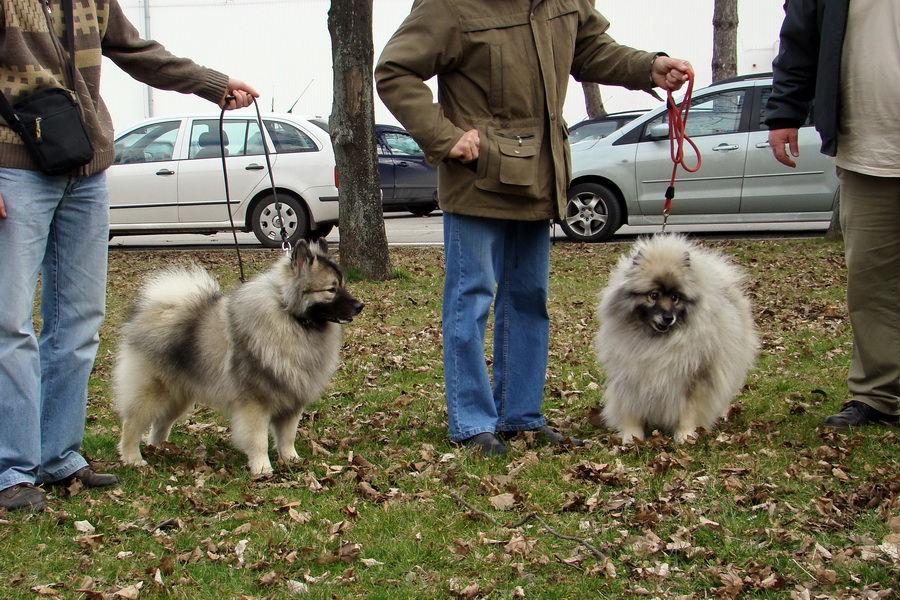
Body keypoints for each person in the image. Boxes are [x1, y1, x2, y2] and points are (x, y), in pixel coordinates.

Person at [375, 0, 692, 456]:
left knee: (529, 299)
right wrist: (445, 138)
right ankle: (472, 424)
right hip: (477, 177)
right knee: (471, 300)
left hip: (538, 175)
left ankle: (520, 416)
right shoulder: (450, 4)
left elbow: (590, 50)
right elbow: (395, 70)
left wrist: (650, 67)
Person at [0, 0, 258, 512]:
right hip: (14, 165)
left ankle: (59, 457)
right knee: (10, 326)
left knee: (78, 321)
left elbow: (139, 52)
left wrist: (213, 82)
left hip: (85, 168)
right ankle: (12, 468)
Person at [766, 0, 899, 430]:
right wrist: (785, 111)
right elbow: (800, 38)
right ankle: (879, 395)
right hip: (868, 149)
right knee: (872, 283)